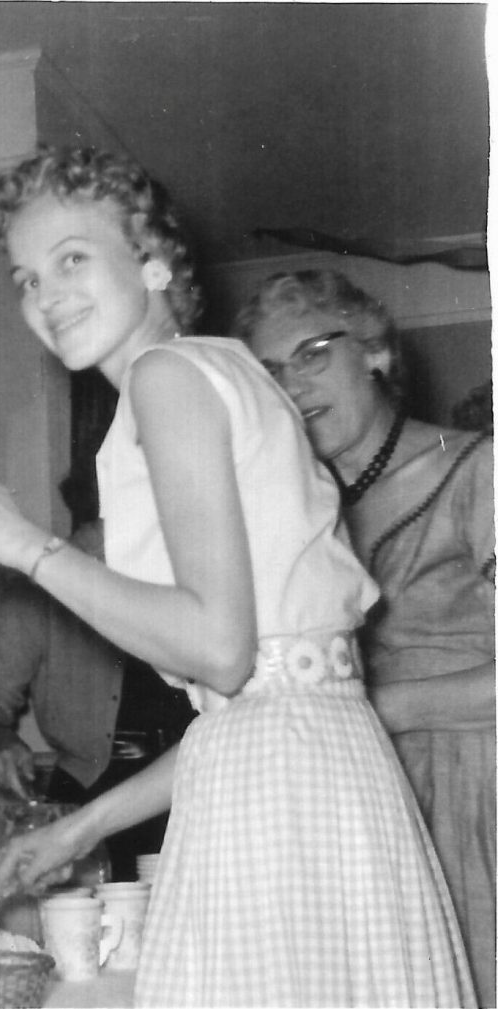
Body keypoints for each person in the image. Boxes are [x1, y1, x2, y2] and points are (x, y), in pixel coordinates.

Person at [0, 144, 474, 1007]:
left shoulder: (167, 377)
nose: (46, 296)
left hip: (281, 791)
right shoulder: (219, 368)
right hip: (311, 767)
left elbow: (218, 650)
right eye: (25, 279)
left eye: (72, 258)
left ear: (152, 261)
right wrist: (74, 830)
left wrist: (33, 548)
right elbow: (251, 702)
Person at [233, 268, 495, 1007]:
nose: (294, 384)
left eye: (313, 352)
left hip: (476, 800)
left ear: (375, 350)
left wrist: (368, 707)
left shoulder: (478, 468)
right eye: (270, 372)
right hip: (359, 805)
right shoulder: (304, 516)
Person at [0, 464, 196, 880]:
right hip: (87, 797)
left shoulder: (192, 578)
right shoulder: (38, 590)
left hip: (190, 785)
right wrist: (0, 744)